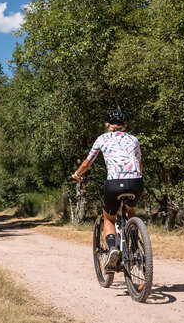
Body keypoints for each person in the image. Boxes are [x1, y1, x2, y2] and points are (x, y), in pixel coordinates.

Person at [72, 109, 143, 270]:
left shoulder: (102, 139)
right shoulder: (133, 139)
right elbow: (139, 162)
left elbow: (87, 162)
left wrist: (77, 174)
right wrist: (137, 179)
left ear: (107, 124)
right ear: (124, 125)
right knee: (130, 209)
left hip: (114, 183)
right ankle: (135, 245)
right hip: (136, 182)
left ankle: (112, 249)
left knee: (109, 218)